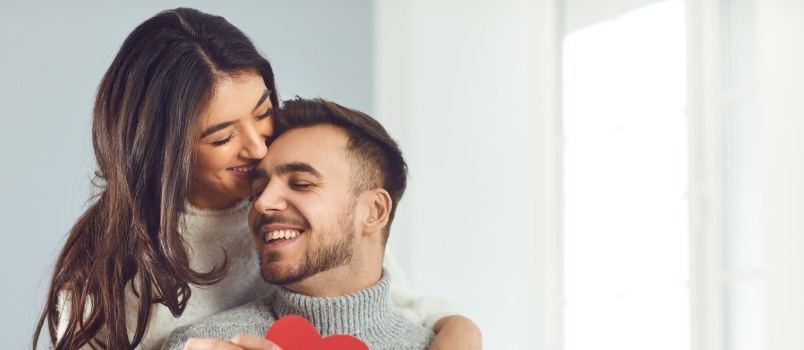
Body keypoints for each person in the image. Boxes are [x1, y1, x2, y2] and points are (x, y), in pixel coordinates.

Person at [32, 8, 480, 350]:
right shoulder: (112, 273)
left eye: (264, 112)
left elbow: (390, 309)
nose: (260, 147)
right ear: (165, 151)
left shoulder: (305, 210)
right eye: (223, 136)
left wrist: (463, 331)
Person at [163, 97, 435, 350]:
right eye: (257, 190)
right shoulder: (202, 345)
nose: (261, 203)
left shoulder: (438, 344)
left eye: (301, 183)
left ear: (374, 211)